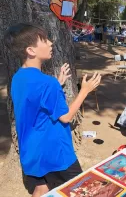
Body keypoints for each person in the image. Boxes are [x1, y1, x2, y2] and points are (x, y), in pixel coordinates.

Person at [4, 23, 102, 197]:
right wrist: (84, 90)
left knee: (41, 188)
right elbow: (66, 117)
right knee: (82, 189)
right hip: (56, 153)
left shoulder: (18, 77)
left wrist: (57, 84)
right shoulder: (47, 84)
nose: (51, 43)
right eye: (44, 40)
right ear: (30, 50)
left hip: (32, 150)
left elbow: (35, 101)